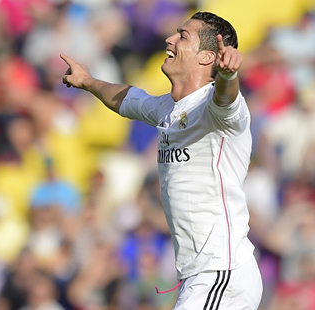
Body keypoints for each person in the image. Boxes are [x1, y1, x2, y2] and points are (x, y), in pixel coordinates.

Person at [60, 11, 263, 309]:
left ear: (207, 57)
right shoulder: (167, 107)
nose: (169, 39)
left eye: (182, 36)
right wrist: (88, 81)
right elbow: (127, 98)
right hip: (201, 275)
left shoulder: (216, 107)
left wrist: (229, 75)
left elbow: (226, 98)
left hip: (221, 271)